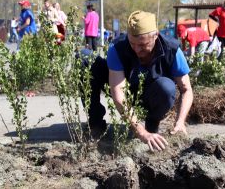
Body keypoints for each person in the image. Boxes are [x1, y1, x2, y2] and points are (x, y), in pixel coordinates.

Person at [82, 10, 193, 151]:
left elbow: (186, 89)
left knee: (166, 87)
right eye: (132, 43)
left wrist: (180, 122)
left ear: (155, 35)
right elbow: (119, 96)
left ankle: (152, 124)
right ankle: (96, 125)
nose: (136, 49)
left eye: (142, 45)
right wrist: (140, 132)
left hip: (152, 94)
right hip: (127, 91)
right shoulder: (117, 48)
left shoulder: (172, 50)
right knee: (84, 58)